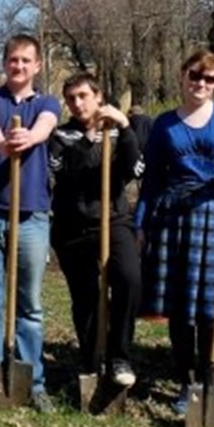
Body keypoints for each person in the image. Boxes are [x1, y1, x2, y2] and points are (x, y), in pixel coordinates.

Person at [135, 50, 214, 413]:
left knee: (210, 307)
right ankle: (185, 384)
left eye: (209, 79)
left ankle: (211, 383)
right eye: (195, 76)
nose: (201, 84)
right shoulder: (163, 125)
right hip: (172, 218)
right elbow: (152, 181)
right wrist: (141, 223)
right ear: (182, 75)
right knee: (179, 308)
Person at [0, 34, 61, 413]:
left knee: (30, 305)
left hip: (32, 217)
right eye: (13, 60)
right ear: (4, 63)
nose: (18, 66)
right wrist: (4, 142)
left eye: (26, 61)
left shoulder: (47, 102)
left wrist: (30, 137)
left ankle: (32, 382)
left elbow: (45, 126)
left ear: (37, 66)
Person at [49, 72, 143, 389]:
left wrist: (125, 127)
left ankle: (119, 356)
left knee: (129, 278)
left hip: (113, 219)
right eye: (71, 98)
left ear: (98, 96)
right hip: (73, 225)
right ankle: (90, 360)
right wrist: (89, 143)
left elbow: (132, 168)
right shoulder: (62, 136)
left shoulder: (118, 133)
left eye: (83, 96)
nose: (77, 103)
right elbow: (65, 175)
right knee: (85, 297)